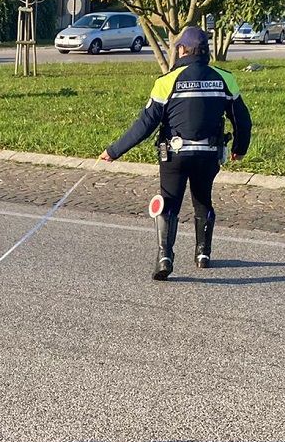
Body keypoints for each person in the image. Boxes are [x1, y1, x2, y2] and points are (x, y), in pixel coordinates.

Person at [99, 26, 251, 280]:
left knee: (168, 203)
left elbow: (145, 125)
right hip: (208, 154)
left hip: (174, 155)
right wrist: (239, 148)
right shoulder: (225, 78)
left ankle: (164, 256)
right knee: (203, 200)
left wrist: (114, 151)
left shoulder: (167, 81)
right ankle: (203, 254)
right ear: (206, 51)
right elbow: (242, 120)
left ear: (182, 49)